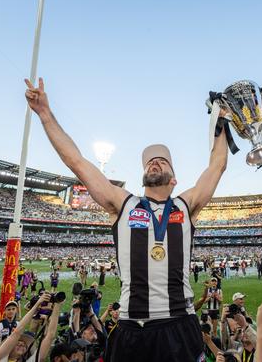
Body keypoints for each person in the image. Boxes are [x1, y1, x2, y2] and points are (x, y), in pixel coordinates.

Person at [24, 76, 228, 362]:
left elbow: (217, 165)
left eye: (162, 161)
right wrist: (45, 114)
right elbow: (77, 162)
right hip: (133, 326)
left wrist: (220, 118)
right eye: (149, 162)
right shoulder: (124, 203)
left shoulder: (186, 203)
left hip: (180, 322)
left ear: (174, 178)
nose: (154, 162)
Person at [0, 292, 64, 362]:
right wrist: (36, 305)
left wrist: (57, 305)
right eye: (18, 343)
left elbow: (50, 336)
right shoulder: (0, 358)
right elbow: (16, 333)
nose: (22, 344)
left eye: (24, 345)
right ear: (10, 346)